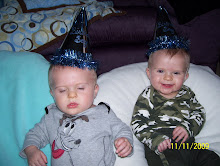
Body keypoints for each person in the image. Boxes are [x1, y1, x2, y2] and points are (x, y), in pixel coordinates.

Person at [20, 7, 133, 166]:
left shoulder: (103, 114)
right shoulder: (50, 116)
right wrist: (31, 150)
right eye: (62, 90)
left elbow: (122, 129)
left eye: (80, 88)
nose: (71, 95)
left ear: (95, 91)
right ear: (52, 93)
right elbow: (33, 135)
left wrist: (125, 141)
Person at [131, 6, 220, 166]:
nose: (167, 77)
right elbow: (138, 123)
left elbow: (199, 114)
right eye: (160, 71)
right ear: (149, 73)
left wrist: (187, 127)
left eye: (176, 73)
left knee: (211, 156)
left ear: (185, 76)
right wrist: (154, 139)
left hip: (188, 144)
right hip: (161, 146)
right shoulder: (148, 95)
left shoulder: (187, 93)